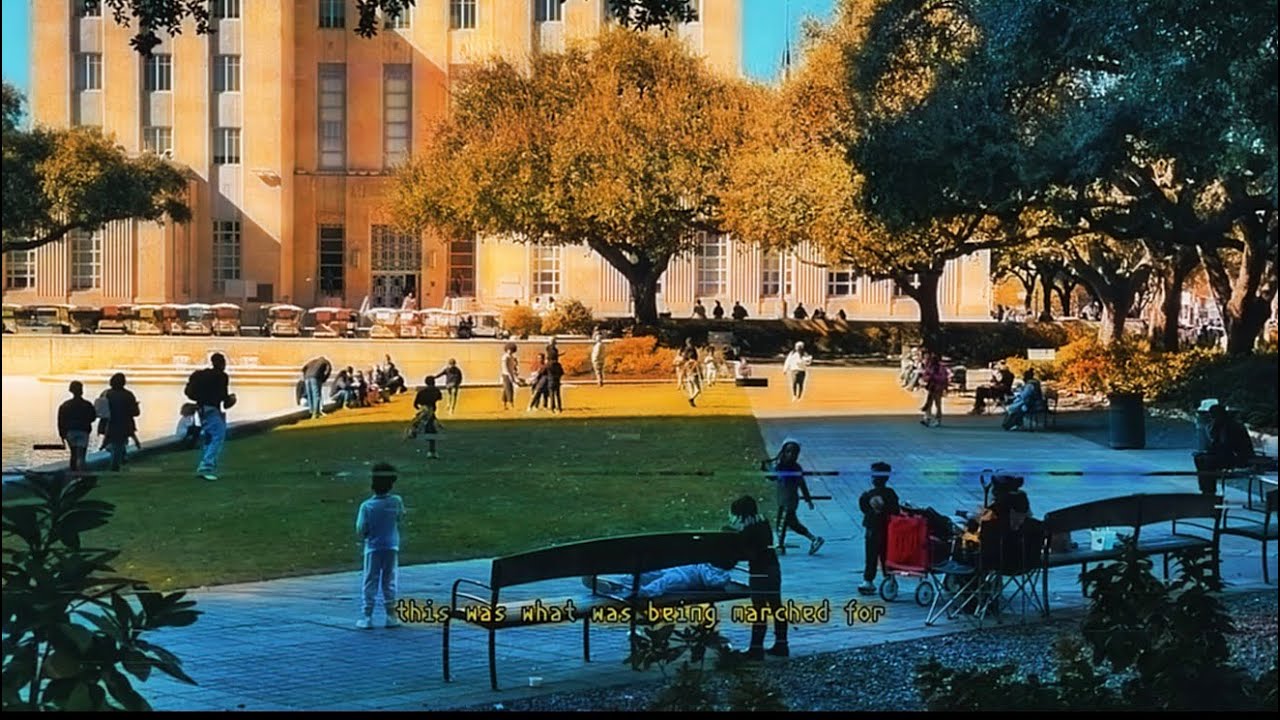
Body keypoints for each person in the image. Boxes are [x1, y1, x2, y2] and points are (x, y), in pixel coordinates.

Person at [727, 495, 787, 660]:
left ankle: (756, 648)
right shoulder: (763, 523)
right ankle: (782, 644)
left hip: (760, 572)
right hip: (773, 568)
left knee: (759, 610)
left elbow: (748, 553)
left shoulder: (748, 530)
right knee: (776, 607)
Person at [356, 463, 406, 629]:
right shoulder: (396, 501)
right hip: (391, 545)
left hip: (373, 547)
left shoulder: (367, 506)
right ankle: (391, 615)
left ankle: (367, 615)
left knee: (370, 579)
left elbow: (361, 528)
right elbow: (400, 518)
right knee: (389, 579)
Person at [762, 439, 824, 556]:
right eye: (788, 451)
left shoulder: (792, 468)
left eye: (794, 452)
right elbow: (774, 477)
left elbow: (802, 484)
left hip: (788, 501)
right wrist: (766, 468)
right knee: (787, 523)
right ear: (784, 452)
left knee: (784, 522)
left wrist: (808, 499)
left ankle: (811, 539)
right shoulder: (784, 466)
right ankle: (783, 544)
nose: (791, 454)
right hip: (784, 500)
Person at [185, 353, 235, 481]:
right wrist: (231, 399)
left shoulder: (201, 376)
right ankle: (206, 467)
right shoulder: (221, 376)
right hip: (212, 409)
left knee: (209, 437)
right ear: (220, 363)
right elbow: (224, 398)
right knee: (218, 436)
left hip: (202, 408)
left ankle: (207, 465)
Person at [857, 462, 901, 595]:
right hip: (885, 529)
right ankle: (888, 578)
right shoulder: (890, 493)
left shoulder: (868, 494)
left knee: (872, 555)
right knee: (884, 555)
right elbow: (896, 511)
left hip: (873, 529)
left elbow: (863, 508)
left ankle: (870, 580)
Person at [1193, 404, 1257, 495]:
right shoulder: (1219, 426)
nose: (1212, 419)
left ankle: (1209, 490)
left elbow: (1229, 446)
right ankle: (1206, 488)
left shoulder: (1232, 426)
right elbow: (1216, 445)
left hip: (1238, 457)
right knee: (1199, 458)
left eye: (1213, 416)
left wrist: (1212, 451)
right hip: (1227, 454)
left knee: (1207, 461)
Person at [103, 373, 140, 472]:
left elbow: (101, 410)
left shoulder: (106, 394)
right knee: (119, 444)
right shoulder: (128, 395)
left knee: (113, 444)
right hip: (125, 423)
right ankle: (117, 464)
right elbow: (135, 412)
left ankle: (117, 462)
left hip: (110, 423)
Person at [57, 380, 97, 473]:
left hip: (70, 432)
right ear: (82, 390)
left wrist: (62, 434)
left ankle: (73, 473)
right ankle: (81, 474)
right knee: (81, 456)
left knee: (73, 454)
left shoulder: (65, 405)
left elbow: (61, 421)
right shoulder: (87, 404)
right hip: (83, 431)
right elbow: (93, 417)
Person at [410, 377, 443, 459]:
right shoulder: (436, 391)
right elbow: (439, 398)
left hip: (423, 410)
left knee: (423, 425)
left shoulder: (421, 392)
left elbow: (415, 404)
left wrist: (421, 409)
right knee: (431, 430)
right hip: (430, 411)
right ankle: (432, 451)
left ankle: (414, 430)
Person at [920, 351, 949, 427]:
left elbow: (943, 378)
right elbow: (925, 376)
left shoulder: (941, 368)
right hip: (931, 387)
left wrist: (934, 377)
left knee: (937, 404)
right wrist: (927, 378)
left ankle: (938, 420)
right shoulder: (929, 367)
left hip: (938, 388)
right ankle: (927, 418)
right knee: (929, 403)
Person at [679, 339, 702, 407]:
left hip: (688, 377)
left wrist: (681, 381)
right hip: (694, 376)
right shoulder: (695, 362)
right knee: (698, 390)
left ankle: (692, 402)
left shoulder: (686, 363)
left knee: (691, 390)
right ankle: (691, 399)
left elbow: (682, 372)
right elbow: (698, 369)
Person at [501, 343, 520, 410]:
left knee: (506, 390)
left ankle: (504, 404)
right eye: (509, 349)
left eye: (511, 350)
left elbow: (513, 366)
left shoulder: (512, 357)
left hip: (510, 374)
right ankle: (511, 404)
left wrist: (514, 373)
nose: (510, 351)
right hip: (506, 375)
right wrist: (510, 377)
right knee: (509, 390)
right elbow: (505, 367)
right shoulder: (505, 357)